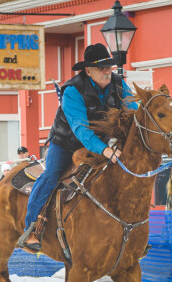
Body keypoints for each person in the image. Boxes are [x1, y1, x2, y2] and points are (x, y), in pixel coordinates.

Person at [19, 43, 138, 250]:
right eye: (101, 68)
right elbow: (81, 130)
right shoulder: (72, 90)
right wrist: (105, 149)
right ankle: (30, 227)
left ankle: (129, 231)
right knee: (51, 176)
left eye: (109, 66)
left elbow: (133, 113)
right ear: (88, 71)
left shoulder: (119, 85)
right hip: (66, 143)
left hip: (100, 142)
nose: (107, 71)